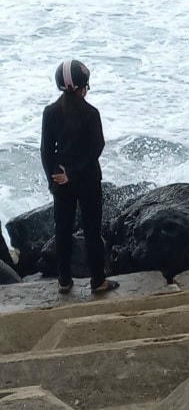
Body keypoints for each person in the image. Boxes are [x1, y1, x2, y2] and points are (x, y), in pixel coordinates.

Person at [40, 60, 118, 294]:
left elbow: (46, 150)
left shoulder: (50, 112)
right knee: (92, 230)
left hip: (60, 181)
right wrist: (74, 173)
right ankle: (98, 281)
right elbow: (97, 148)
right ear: (83, 87)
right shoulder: (91, 113)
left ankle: (64, 280)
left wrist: (54, 177)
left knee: (62, 229)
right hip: (87, 179)